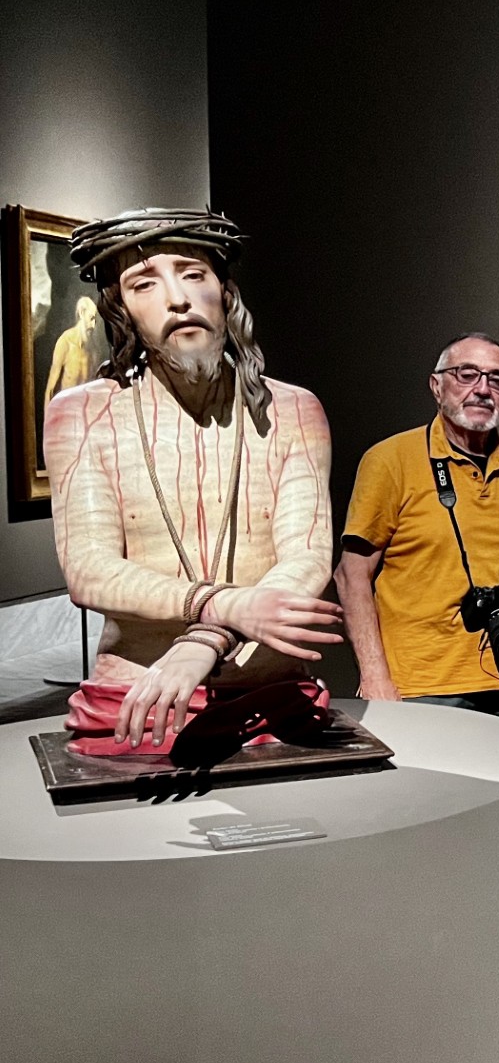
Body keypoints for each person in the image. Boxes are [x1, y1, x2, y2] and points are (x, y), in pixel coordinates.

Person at [47, 208, 341, 751]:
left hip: (273, 696)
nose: (177, 299)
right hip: (137, 698)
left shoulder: (294, 411)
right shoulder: (83, 414)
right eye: (145, 283)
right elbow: (88, 569)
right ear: (121, 309)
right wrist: (222, 607)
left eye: (192, 274)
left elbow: (307, 557)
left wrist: (205, 638)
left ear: (225, 293)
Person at [337, 334, 499, 727]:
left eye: (496, 380)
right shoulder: (390, 460)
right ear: (437, 385)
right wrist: (374, 675)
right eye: (467, 375)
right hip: (419, 686)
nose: (482, 389)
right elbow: (351, 575)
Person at [45, 295, 104, 406]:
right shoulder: (65, 342)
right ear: (81, 313)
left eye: (95, 320)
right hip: (64, 409)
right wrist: (47, 415)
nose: (93, 325)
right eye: (91, 318)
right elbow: (51, 388)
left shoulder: (94, 349)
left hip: (85, 411)